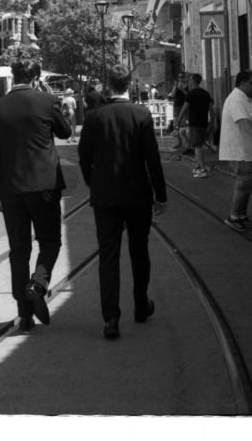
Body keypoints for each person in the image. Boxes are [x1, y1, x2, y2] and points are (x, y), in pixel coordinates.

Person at [0, 58, 72, 330]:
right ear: (36, 78)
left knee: (18, 249)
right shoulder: (46, 101)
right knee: (51, 241)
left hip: (10, 188)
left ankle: (24, 313)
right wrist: (55, 102)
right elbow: (66, 132)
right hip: (44, 185)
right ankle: (38, 283)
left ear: (12, 77)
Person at [78, 65, 167, 340]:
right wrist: (160, 194)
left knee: (108, 255)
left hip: (105, 196)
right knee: (140, 251)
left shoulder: (94, 117)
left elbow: (84, 156)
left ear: (108, 85)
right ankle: (141, 305)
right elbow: (152, 158)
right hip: (137, 194)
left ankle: (111, 319)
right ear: (129, 84)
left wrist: (94, 183)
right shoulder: (141, 115)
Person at [218, 70, 252, 229]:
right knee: (243, 183)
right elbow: (242, 122)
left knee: (247, 184)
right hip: (240, 150)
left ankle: (241, 215)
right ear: (243, 83)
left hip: (248, 150)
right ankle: (234, 217)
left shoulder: (245, 99)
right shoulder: (236, 100)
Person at [176, 73, 215, 178]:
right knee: (198, 145)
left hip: (195, 124)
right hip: (204, 123)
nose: (188, 81)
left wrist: (178, 121)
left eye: (189, 80)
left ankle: (202, 169)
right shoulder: (206, 93)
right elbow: (211, 110)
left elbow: (184, 109)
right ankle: (198, 166)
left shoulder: (191, 94)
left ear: (193, 81)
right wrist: (212, 123)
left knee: (197, 147)